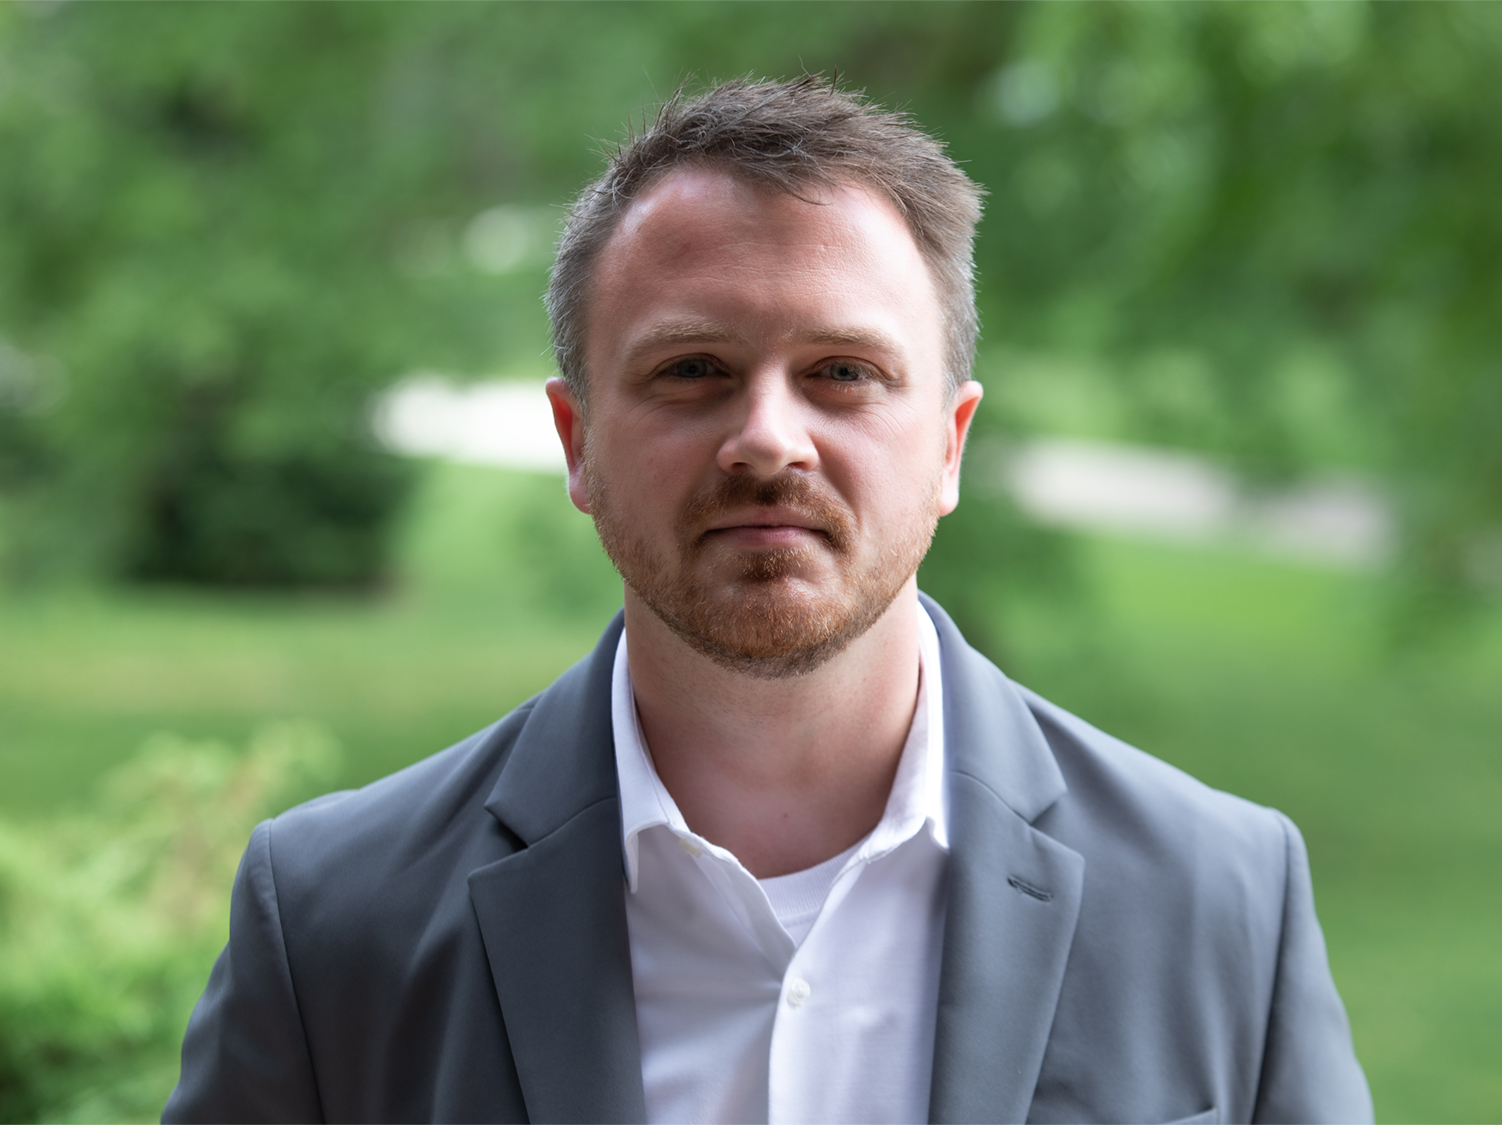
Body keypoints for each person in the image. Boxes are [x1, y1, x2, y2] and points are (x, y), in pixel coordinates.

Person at [164, 77, 1372, 1125]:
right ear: (575, 445)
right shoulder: (333, 922)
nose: (766, 439)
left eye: (842, 373)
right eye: (692, 370)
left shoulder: (1219, 898)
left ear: (948, 446)